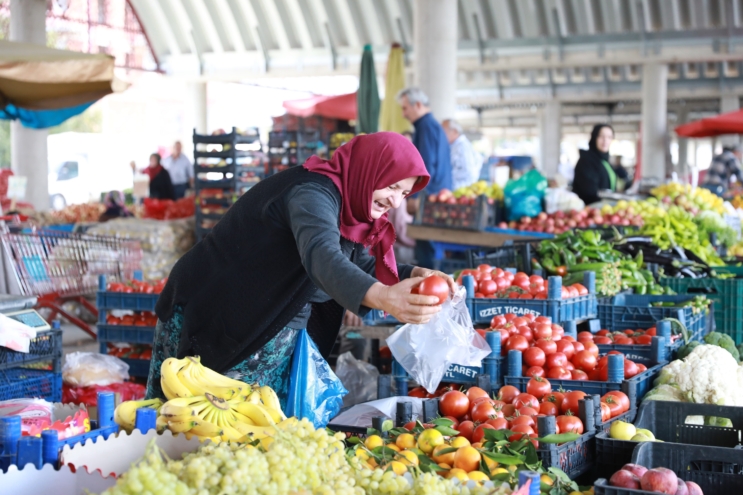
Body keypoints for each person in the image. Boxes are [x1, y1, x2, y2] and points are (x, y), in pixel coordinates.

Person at [145, 133, 456, 404]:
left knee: (253, 430)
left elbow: (352, 259)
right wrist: (385, 297)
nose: (396, 202)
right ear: (369, 170)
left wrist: (413, 274)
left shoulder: (349, 204)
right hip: (217, 309)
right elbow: (323, 256)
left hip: (271, 319)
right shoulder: (312, 193)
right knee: (187, 420)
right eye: (392, 186)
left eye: (404, 193)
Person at [397, 87, 452, 268]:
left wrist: (414, 196)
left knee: (426, 252)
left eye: (405, 108)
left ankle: (433, 292)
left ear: (418, 105)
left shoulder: (426, 127)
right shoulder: (432, 125)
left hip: (428, 198)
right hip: (436, 196)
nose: (404, 114)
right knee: (430, 248)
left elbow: (425, 166)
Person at [572, 124, 631, 205]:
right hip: (590, 210)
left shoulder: (605, 161)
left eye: (609, 137)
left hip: (606, 209)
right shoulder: (586, 160)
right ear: (594, 137)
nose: (605, 140)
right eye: (601, 136)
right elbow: (589, 191)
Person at [442, 119, 482, 189]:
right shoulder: (454, 146)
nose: (441, 135)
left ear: (454, 131)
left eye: (443, 131)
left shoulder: (463, 147)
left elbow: (469, 173)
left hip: (460, 190)